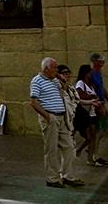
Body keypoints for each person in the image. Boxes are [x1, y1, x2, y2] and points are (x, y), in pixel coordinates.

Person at [29, 57, 84, 188]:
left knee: (69, 146)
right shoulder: (37, 81)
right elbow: (33, 102)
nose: (56, 70)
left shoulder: (55, 80)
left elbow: (65, 91)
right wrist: (47, 116)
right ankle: (52, 178)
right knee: (52, 149)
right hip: (50, 117)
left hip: (61, 117)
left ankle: (67, 175)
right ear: (46, 69)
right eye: (54, 68)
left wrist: (63, 81)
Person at [73, 64, 103, 166]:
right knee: (90, 137)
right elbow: (79, 95)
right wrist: (91, 97)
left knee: (92, 137)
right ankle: (88, 157)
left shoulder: (90, 84)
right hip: (86, 113)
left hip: (93, 112)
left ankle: (87, 155)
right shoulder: (80, 83)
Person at [89, 52, 108, 166]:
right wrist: (100, 104)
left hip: (102, 103)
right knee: (100, 131)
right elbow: (93, 89)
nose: (103, 62)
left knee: (107, 130)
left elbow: (101, 86)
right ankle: (94, 155)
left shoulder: (98, 73)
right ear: (94, 62)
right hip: (97, 105)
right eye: (100, 60)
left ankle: (93, 151)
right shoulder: (91, 74)